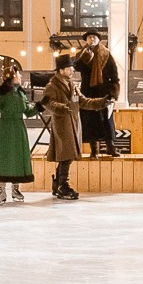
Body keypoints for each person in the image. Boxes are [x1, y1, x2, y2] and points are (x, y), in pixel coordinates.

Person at [0, 66, 35, 205]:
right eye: (18, 74)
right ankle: (1, 190)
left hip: (19, 127)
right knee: (3, 156)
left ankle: (15, 189)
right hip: (5, 128)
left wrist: (41, 106)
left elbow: (28, 112)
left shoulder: (21, 92)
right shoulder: (2, 92)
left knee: (17, 156)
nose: (20, 76)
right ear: (11, 78)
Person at [76, 30, 121, 157]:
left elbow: (114, 75)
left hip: (104, 92)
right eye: (89, 37)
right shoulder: (81, 54)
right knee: (90, 121)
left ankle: (110, 147)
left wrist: (113, 93)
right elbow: (76, 67)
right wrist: (85, 57)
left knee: (107, 120)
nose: (92, 39)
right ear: (86, 40)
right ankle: (94, 150)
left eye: (94, 37)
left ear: (99, 39)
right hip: (87, 93)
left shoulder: (106, 54)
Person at [43, 55, 83, 201]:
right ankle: (63, 185)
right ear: (61, 70)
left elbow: (83, 101)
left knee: (68, 155)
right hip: (62, 124)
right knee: (67, 154)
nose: (72, 70)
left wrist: (101, 102)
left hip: (72, 123)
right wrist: (61, 107)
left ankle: (58, 184)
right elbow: (47, 102)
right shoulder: (51, 86)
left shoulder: (72, 85)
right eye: (69, 68)